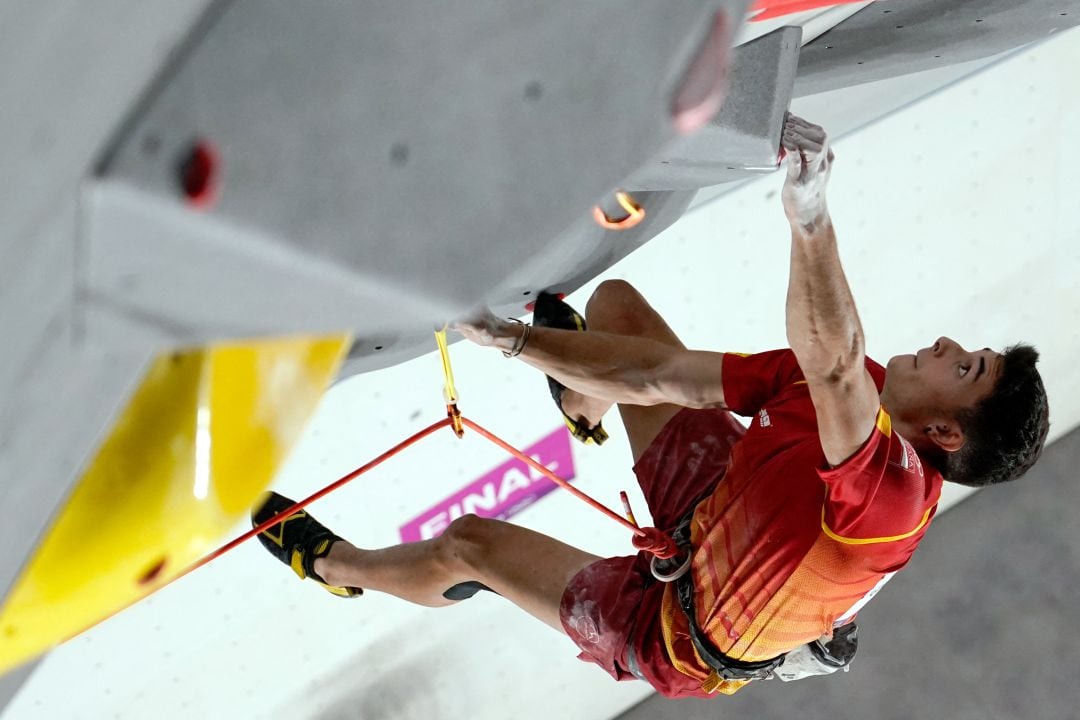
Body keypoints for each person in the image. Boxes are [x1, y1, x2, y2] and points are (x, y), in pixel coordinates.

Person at [251, 114, 1050, 698]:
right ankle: (582, 404)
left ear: (943, 430)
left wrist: (810, 218)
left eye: (967, 364)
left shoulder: (895, 492)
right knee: (621, 310)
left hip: (674, 628)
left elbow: (831, 361)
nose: (948, 344)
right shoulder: (857, 388)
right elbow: (669, 370)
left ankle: (334, 566)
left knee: (469, 544)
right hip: (718, 513)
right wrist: (506, 340)